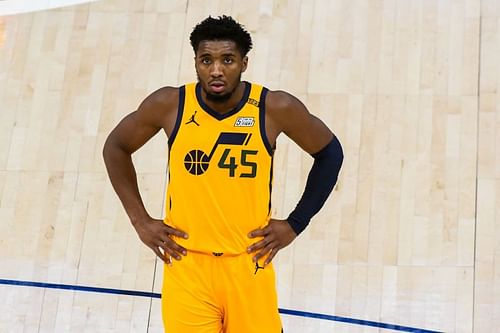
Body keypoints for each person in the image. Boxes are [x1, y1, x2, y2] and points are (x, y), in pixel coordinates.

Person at [103, 15, 343, 333]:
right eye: (207, 60)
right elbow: (116, 147)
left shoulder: (273, 108)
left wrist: (295, 223)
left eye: (227, 60)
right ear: (195, 63)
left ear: (244, 63)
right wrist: (140, 220)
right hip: (187, 265)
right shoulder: (169, 105)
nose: (216, 70)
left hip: (247, 263)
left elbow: (329, 153)